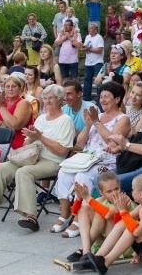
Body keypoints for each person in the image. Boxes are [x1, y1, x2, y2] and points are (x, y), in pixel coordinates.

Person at [0, 84, 75, 230]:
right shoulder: (41, 118)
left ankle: (31, 217)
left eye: (51, 98)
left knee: (24, 172)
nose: (47, 101)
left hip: (53, 161)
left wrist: (40, 137)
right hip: (32, 157)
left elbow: (62, 151)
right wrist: (30, 138)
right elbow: (27, 144)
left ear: (60, 100)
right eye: (45, 98)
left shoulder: (65, 120)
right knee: (0, 168)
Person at [52, 81, 130, 236]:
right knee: (64, 172)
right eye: (101, 97)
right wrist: (88, 125)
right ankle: (65, 214)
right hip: (87, 159)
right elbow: (80, 144)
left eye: (107, 96)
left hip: (107, 161)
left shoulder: (123, 119)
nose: (102, 100)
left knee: (82, 176)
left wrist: (96, 123)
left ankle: (79, 218)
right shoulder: (97, 116)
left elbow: (112, 142)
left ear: (117, 99)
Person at [83, 174, 142, 275]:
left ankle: (105, 263)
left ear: (140, 194)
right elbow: (121, 222)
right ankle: (98, 257)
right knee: (125, 223)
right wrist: (119, 210)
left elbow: (137, 231)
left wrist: (123, 211)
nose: (131, 192)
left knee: (132, 229)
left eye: (133, 190)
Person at [64, 169, 135, 263]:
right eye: (109, 191)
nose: (114, 193)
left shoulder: (124, 199)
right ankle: (85, 251)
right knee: (84, 209)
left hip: (120, 244)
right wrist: (79, 198)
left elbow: (108, 214)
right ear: (102, 192)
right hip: (103, 241)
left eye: (116, 189)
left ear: (120, 186)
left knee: (101, 213)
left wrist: (87, 197)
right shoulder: (102, 199)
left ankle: (85, 250)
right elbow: (75, 213)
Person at [82, 24, 105, 101]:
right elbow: (85, 46)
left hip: (97, 62)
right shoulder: (87, 37)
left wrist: (89, 49)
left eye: (91, 28)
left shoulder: (99, 37)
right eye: (89, 28)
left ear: (96, 30)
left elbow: (100, 50)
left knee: (98, 80)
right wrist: (83, 48)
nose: (90, 30)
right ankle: (86, 97)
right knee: (87, 79)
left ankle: (99, 97)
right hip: (88, 62)